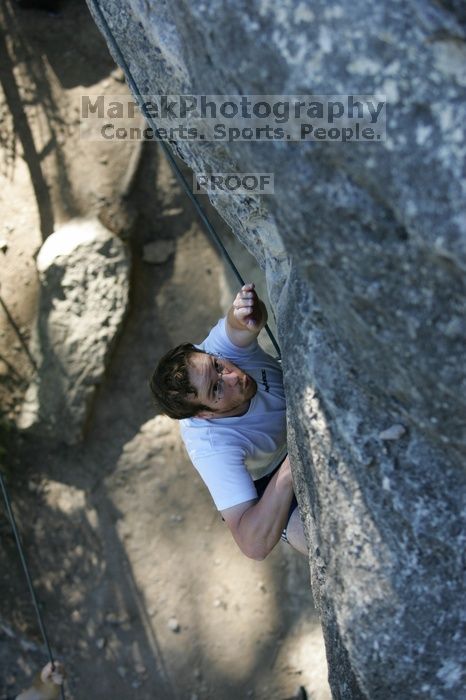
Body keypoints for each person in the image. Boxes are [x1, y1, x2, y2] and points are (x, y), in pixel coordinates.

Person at [150, 283, 307, 560]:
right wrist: (294, 462)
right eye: (216, 390)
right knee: (304, 534)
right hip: (272, 474)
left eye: (218, 367)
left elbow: (238, 326)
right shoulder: (211, 447)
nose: (234, 378)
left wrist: (246, 311)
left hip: (297, 407)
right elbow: (252, 543)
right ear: (204, 414)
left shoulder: (214, 353)